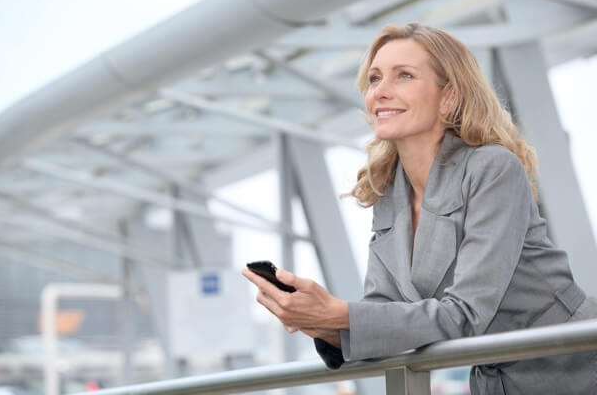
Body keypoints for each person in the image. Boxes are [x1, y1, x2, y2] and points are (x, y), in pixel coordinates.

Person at [242, 23, 597, 395]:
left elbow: (466, 313)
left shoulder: (493, 169)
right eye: (375, 78)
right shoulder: (389, 192)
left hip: (577, 362)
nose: (381, 91)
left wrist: (341, 314)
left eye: (404, 76)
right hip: (499, 378)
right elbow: (385, 309)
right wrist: (321, 322)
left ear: (449, 97)